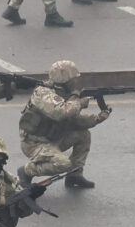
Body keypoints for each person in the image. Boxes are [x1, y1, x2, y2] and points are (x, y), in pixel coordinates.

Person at [19, 60, 111, 190]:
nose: (75, 83)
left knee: (83, 135)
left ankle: (75, 175)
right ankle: (27, 171)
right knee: (64, 164)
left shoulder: (63, 94)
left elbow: (75, 122)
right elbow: (62, 113)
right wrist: (77, 101)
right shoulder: (43, 93)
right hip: (35, 144)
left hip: (53, 138)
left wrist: (97, 119)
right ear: (64, 80)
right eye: (73, 80)